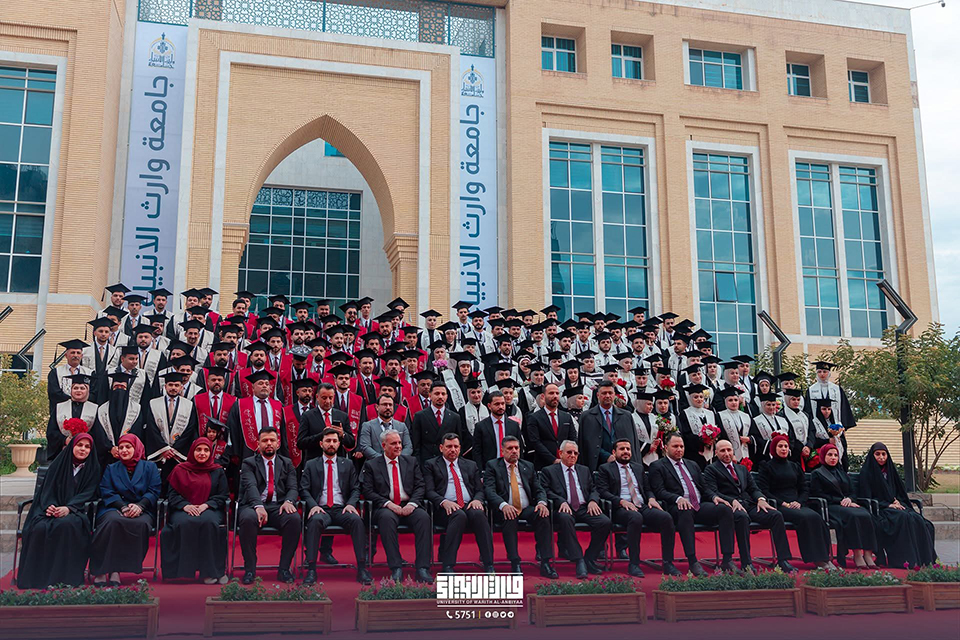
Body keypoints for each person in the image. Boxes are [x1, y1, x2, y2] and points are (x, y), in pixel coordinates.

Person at [17, 433, 101, 589]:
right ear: (72, 446)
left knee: (67, 525)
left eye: (87, 447)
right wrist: (51, 506)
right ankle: (38, 578)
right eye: (79, 445)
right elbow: (47, 489)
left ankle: (63, 578)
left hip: (76, 511)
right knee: (40, 528)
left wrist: (69, 508)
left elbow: (89, 493)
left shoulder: (93, 468)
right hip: (51, 509)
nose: (83, 449)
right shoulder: (58, 464)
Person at [648, 433, 738, 576]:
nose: (679, 449)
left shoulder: (692, 464)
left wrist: (714, 497)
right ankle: (692, 561)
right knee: (685, 511)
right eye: (675, 446)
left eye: (681, 446)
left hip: (698, 505)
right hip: (677, 507)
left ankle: (727, 559)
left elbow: (704, 488)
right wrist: (678, 498)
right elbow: (659, 491)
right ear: (665, 448)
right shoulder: (657, 466)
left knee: (724, 509)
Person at [703, 439, 797, 573]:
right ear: (716, 453)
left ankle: (783, 560)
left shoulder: (741, 468)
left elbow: (753, 488)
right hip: (730, 507)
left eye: (729, 450)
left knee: (776, 515)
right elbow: (713, 491)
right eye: (723, 451)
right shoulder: (711, 469)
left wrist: (761, 499)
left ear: (733, 451)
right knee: (742, 518)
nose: (727, 453)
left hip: (749, 504)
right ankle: (746, 563)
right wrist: (731, 500)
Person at [360, 429, 433, 583]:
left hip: (409, 505)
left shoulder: (411, 462)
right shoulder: (372, 465)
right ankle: (396, 567)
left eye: (399, 443)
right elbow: (368, 491)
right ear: (383, 446)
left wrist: (412, 504)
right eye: (394, 443)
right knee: (386, 519)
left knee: (423, 518)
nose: (398, 446)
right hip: (386, 506)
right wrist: (389, 504)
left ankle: (422, 568)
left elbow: (420, 486)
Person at [597, 439, 679, 577]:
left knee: (666, 517)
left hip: (641, 505)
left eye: (628, 449)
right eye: (622, 449)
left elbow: (647, 489)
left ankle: (668, 563)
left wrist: (651, 498)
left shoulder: (638, 468)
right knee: (635, 518)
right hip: (621, 508)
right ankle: (634, 564)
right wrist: (621, 501)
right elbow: (603, 492)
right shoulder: (605, 469)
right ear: (614, 452)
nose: (626, 452)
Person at [300, 428, 371, 585]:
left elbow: (355, 488)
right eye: (328, 441)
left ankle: (362, 568)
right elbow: (304, 489)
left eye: (334, 441)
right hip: (321, 508)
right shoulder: (311, 464)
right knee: (314, 522)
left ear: (339, 444)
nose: (331, 444)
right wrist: (313, 505)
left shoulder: (348, 464)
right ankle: (311, 569)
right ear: (321, 444)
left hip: (342, 509)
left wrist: (351, 504)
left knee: (357, 521)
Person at [89, 434, 162, 586]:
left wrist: (140, 506)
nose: (124, 450)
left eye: (128, 447)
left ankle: (116, 570)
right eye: (121, 447)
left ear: (137, 448)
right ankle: (101, 570)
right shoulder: (111, 468)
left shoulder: (150, 467)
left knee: (140, 524)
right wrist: (122, 507)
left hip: (142, 508)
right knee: (112, 522)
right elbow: (106, 490)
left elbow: (154, 490)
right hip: (114, 506)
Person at [483, 436, 557, 578]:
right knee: (510, 517)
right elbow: (489, 491)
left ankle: (545, 562)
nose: (514, 451)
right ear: (502, 451)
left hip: (526, 508)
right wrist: (503, 505)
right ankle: (515, 562)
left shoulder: (527, 466)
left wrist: (542, 503)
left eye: (516, 448)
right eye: (510, 448)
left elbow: (539, 489)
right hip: (505, 508)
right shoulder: (493, 466)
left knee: (543, 515)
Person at [757, 434, 835, 569]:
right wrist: (783, 503)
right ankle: (817, 559)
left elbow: (804, 488)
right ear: (773, 448)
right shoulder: (766, 466)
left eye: (785, 446)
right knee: (805, 518)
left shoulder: (795, 466)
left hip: (797, 504)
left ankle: (824, 557)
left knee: (817, 517)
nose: (783, 449)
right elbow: (764, 490)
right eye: (780, 446)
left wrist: (799, 502)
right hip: (779, 504)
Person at [237, 427, 302, 584]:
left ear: (278, 444)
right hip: (253, 505)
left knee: (294, 519)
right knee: (247, 519)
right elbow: (251, 486)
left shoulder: (287, 463)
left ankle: (284, 569)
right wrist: (258, 506)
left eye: (272, 440)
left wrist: (288, 502)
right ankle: (250, 570)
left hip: (278, 506)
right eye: (264, 440)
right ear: (258, 444)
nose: (268, 443)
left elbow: (293, 488)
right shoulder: (248, 463)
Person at [160, 438, 229, 583]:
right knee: (185, 523)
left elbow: (222, 495)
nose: (202, 453)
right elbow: (172, 495)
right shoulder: (180, 469)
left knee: (209, 523)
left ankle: (211, 573)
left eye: (206, 450)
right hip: (183, 509)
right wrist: (185, 506)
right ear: (192, 451)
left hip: (209, 508)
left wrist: (206, 505)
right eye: (198, 450)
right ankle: (183, 572)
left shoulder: (217, 471)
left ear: (210, 453)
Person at [424, 433, 495, 573]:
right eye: (449, 446)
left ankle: (489, 564)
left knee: (479, 515)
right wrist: (444, 502)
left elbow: (480, 490)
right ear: (441, 448)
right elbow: (429, 491)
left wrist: (477, 499)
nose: (453, 450)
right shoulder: (431, 465)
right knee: (458, 515)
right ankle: (448, 565)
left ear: (460, 448)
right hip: (444, 508)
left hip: (468, 504)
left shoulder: (470, 465)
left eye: (456, 446)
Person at [540, 440, 611, 578]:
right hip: (563, 508)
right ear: (560, 453)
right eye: (569, 452)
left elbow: (594, 489)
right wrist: (561, 501)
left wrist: (592, 501)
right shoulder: (549, 471)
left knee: (604, 522)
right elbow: (545, 490)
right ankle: (579, 560)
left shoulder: (584, 470)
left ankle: (589, 558)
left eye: (575, 453)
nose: (572, 455)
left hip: (584, 507)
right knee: (565, 518)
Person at [858, 442, 937, 568]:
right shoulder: (867, 473)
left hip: (896, 507)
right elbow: (866, 497)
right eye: (877, 454)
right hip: (879, 509)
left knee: (922, 522)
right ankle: (906, 561)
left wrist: (898, 501)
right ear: (872, 456)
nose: (881, 457)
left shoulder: (891, 472)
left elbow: (900, 492)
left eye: (884, 454)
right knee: (904, 518)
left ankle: (924, 560)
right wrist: (888, 505)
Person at [809, 443, 878, 568]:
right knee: (853, 516)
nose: (833, 458)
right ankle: (857, 554)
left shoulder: (842, 473)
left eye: (835, 455)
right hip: (830, 506)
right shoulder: (817, 473)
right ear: (823, 456)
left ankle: (868, 554)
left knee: (866, 514)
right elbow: (817, 494)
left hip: (846, 504)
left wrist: (849, 499)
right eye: (830, 455)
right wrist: (840, 500)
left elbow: (852, 491)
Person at [578, 380, 638, 472]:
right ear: (598, 395)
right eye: (604, 393)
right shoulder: (587, 417)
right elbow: (586, 444)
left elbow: (633, 445)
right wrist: (606, 456)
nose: (607, 396)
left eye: (610, 393)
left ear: (614, 395)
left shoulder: (626, 416)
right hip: (597, 466)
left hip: (623, 466)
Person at [47, 373, 101, 460]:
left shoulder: (95, 409)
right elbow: (51, 431)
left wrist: (82, 441)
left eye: (82, 388)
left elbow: (98, 433)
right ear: (70, 390)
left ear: (87, 390)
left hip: (86, 452)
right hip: (63, 451)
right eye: (75, 388)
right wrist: (64, 440)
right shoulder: (59, 407)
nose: (78, 391)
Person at [298, 382, 354, 462]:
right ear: (317, 397)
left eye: (330, 398)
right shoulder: (307, 416)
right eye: (324, 398)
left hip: (337, 462)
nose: (328, 401)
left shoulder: (342, 416)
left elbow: (351, 443)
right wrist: (322, 435)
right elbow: (301, 443)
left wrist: (343, 434)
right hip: (315, 463)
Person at [410, 382, 462, 467]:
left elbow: (459, 443)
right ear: (430, 395)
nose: (440, 397)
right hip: (426, 463)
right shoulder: (420, 416)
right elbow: (416, 445)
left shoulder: (455, 417)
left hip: (448, 463)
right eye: (437, 394)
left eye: (443, 394)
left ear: (447, 396)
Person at [527, 383, 577, 470]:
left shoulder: (566, 417)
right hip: (544, 464)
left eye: (557, 393)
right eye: (551, 393)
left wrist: (566, 457)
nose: (555, 396)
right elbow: (535, 442)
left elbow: (572, 438)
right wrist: (553, 460)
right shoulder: (534, 417)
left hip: (566, 463)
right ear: (543, 396)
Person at [472, 390, 522, 470]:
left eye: (502, 403)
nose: (501, 407)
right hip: (490, 469)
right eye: (497, 404)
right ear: (489, 406)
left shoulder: (514, 425)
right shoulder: (481, 426)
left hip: (511, 467)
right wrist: (481, 471)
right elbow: (477, 452)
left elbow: (520, 449)